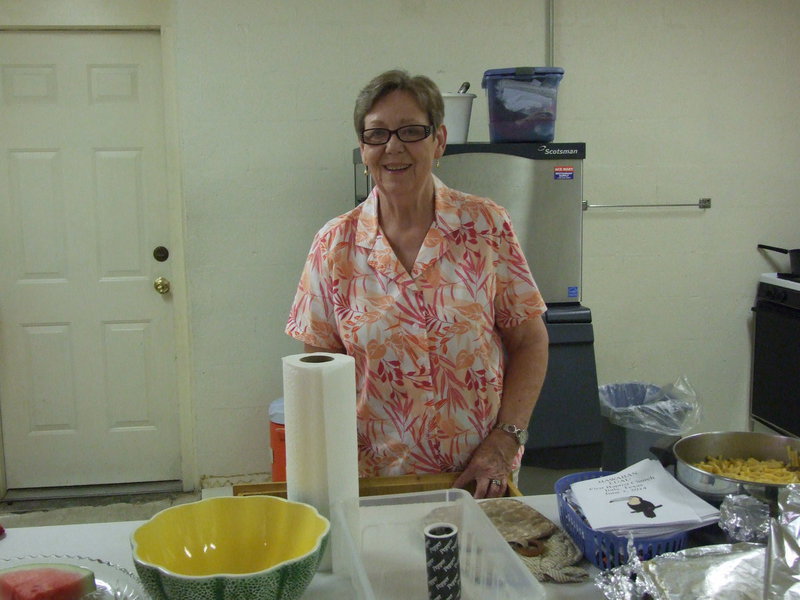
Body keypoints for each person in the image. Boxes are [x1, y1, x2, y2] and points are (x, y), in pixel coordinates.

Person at [286, 69, 549, 499]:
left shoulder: (485, 226)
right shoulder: (334, 245)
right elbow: (318, 372)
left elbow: (530, 342)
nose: (393, 146)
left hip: (478, 476)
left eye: (411, 131)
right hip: (372, 481)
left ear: (439, 141)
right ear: (363, 148)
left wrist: (506, 440)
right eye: (377, 134)